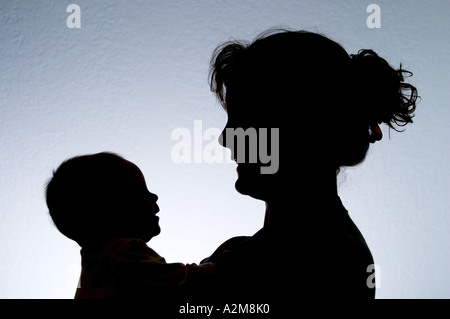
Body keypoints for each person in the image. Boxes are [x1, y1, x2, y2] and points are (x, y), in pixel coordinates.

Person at [202, 29, 418, 301]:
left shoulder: (326, 262)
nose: (226, 138)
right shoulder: (248, 253)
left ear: (301, 128)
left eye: (245, 120)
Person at [45, 152, 215, 300]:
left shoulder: (93, 271)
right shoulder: (119, 252)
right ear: (111, 207)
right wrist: (225, 264)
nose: (154, 196)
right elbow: (184, 282)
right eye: (141, 191)